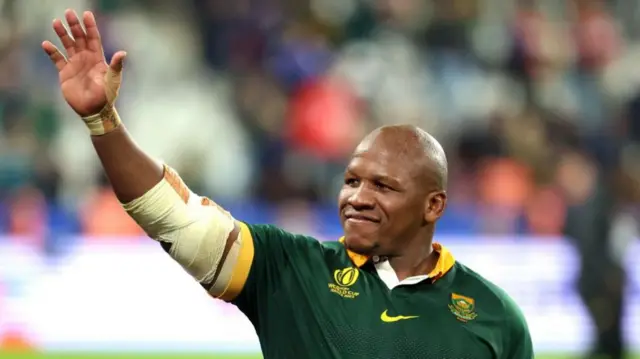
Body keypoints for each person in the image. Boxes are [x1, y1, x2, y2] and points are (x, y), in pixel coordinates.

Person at [42, 9, 534, 358]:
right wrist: (103, 121)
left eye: (383, 186)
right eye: (351, 181)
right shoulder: (291, 270)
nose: (357, 198)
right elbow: (177, 218)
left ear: (433, 205)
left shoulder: (495, 317)